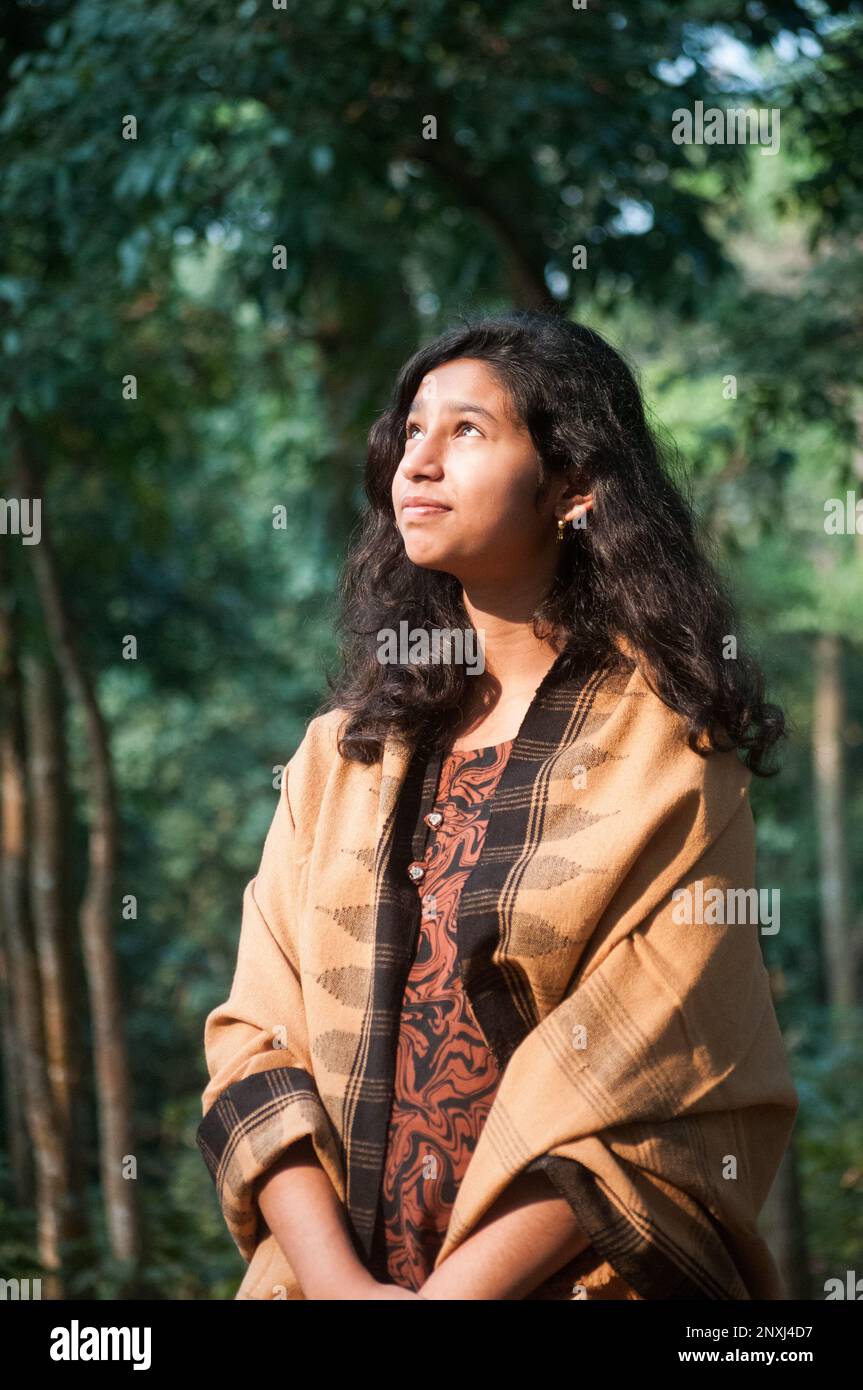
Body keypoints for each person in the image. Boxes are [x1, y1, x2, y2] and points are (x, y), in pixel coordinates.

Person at [197, 311, 799, 1300]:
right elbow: (254, 1041)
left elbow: (646, 1072)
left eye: (466, 431)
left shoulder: (667, 750)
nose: (416, 461)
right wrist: (340, 1285)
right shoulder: (336, 757)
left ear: (571, 487)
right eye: (411, 430)